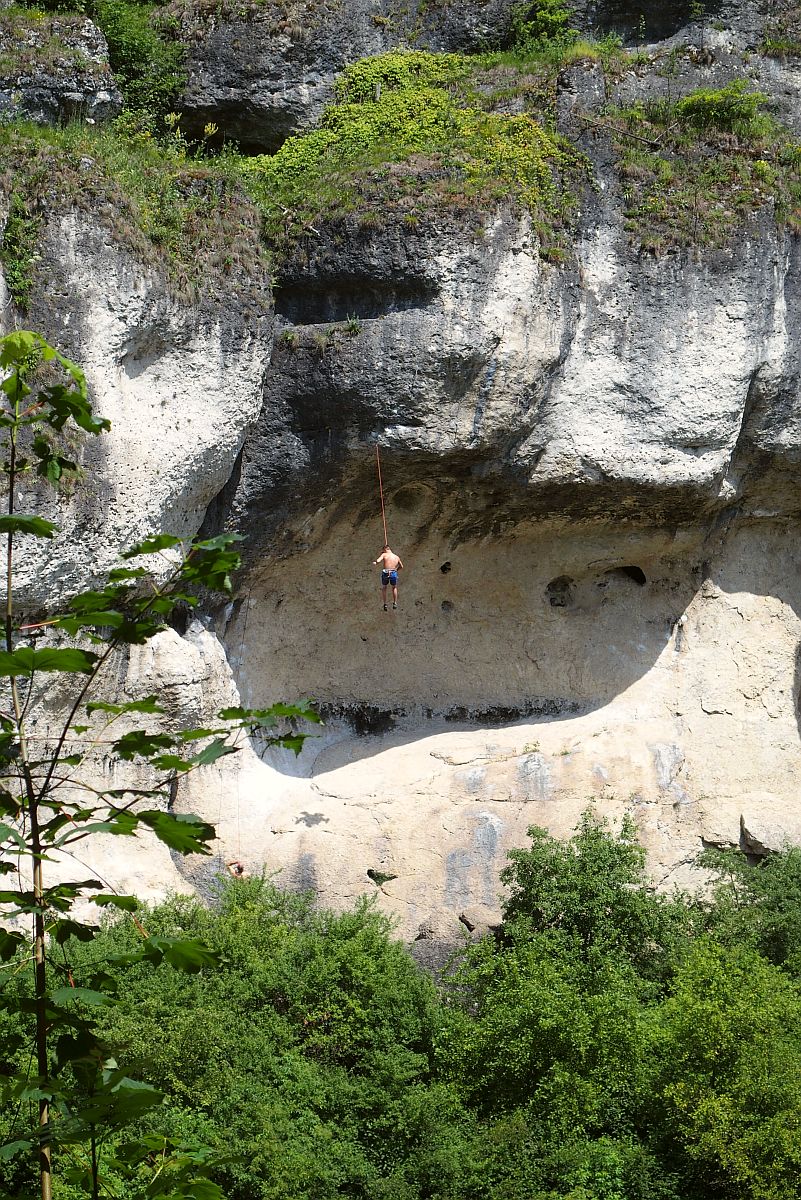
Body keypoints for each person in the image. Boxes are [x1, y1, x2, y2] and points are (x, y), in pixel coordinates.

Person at [373, 544, 404, 611]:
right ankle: (395, 603)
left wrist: (377, 561)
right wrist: (396, 570)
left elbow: (378, 561)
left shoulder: (384, 554)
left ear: (385, 549)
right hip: (393, 572)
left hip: (385, 572)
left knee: (384, 587)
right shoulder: (396, 557)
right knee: (394, 587)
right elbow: (401, 566)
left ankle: (385, 604)